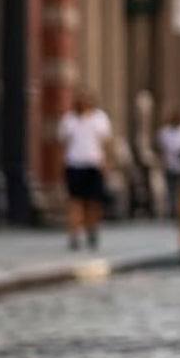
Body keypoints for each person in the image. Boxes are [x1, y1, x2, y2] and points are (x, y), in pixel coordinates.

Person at [60, 89, 113, 250]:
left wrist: (106, 163)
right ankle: (74, 235)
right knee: (75, 202)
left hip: (93, 164)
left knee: (93, 203)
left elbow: (105, 142)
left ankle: (92, 230)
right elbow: (63, 143)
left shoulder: (100, 119)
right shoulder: (69, 120)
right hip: (75, 165)